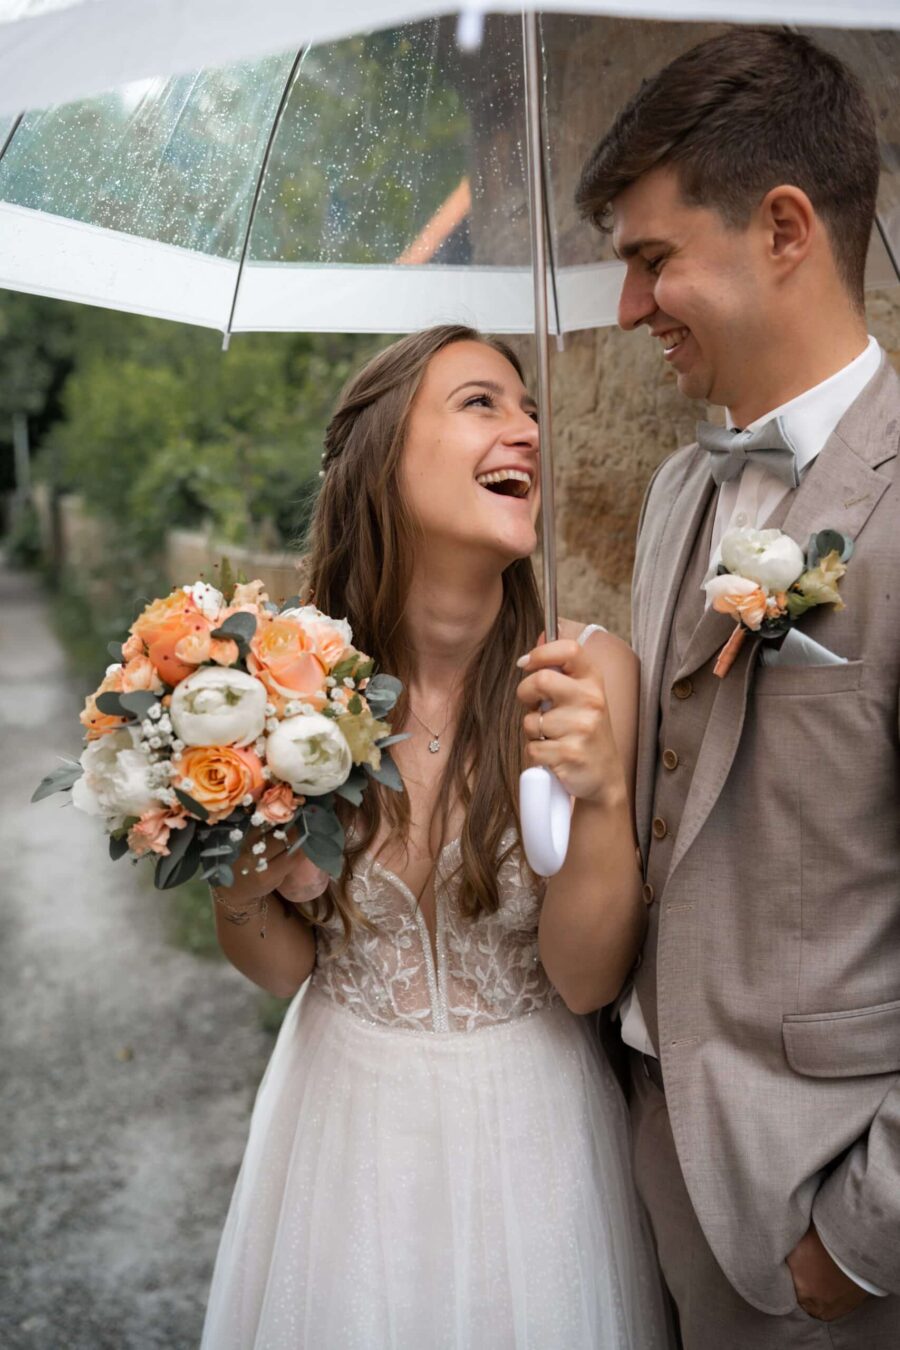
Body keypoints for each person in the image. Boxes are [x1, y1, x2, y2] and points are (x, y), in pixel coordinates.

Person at [199, 325, 672, 1349]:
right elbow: (280, 968)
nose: (528, 433)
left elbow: (587, 981)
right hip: (342, 1134)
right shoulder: (286, 685)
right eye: (482, 404)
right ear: (382, 454)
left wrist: (595, 800)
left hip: (537, 1138)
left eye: (531, 410)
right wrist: (238, 885)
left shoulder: (589, 679)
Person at [574, 25, 900, 1349]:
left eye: (653, 261)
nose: (628, 310)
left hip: (814, 1208)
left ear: (782, 228)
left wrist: (863, 1234)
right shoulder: (675, 492)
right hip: (641, 1154)